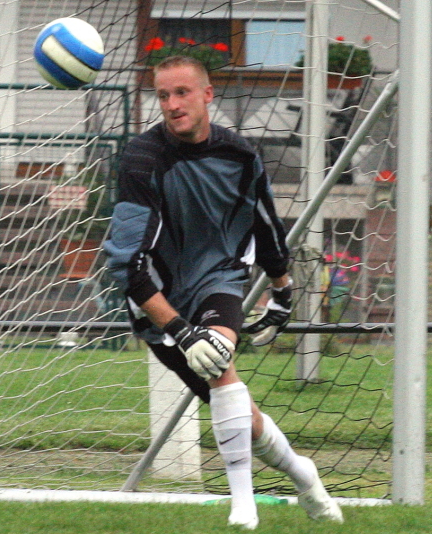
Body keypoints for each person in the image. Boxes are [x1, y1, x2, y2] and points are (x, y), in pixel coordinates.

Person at [103, 55, 342, 529]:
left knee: (216, 362)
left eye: (182, 93)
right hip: (158, 301)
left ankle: (243, 509)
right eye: (163, 95)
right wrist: (178, 330)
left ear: (208, 95)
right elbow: (127, 266)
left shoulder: (240, 155)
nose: (172, 104)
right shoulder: (141, 159)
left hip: (220, 280)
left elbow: (266, 223)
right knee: (239, 412)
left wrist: (282, 290)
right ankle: (305, 476)